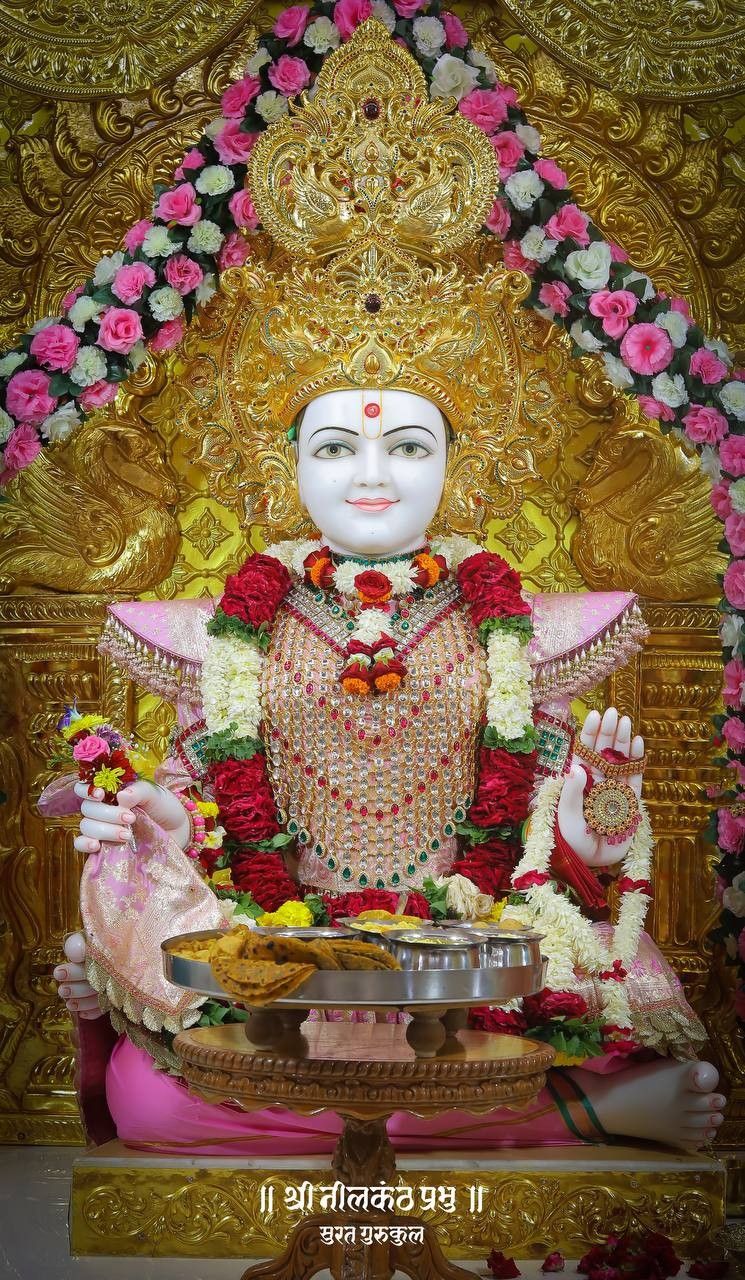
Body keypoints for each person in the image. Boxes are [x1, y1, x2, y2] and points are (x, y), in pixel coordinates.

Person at [46, 28, 723, 1154]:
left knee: (500, 1029)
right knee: (152, 1095)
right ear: (291, 468)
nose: (369, 473)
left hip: (468, 965)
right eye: (338, 451)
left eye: (407, 447)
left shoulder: (523, 629)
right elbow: (199, 806)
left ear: (457, 466)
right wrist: (164, 824)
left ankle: (543, 1095)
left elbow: (565, 851)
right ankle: (565, 1115)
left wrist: (598, 826)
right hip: (287, 964)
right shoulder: (228, 631)